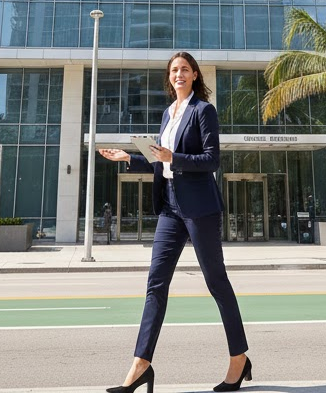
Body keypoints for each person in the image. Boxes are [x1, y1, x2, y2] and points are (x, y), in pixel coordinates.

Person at [98, 53, 250, 393]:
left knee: (216, 283)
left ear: (194, 75)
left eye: (183, 69)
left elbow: (211, 159)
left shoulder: (203, 111)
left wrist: (173, 157)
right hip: (169, 206)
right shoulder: (168, 113)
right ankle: (141, 365)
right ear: (169, 79)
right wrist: (129, 158)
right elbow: (160, 162)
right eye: (173, 71)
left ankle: (239, 359)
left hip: (199, 208)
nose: (178, 74)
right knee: (155, 283)